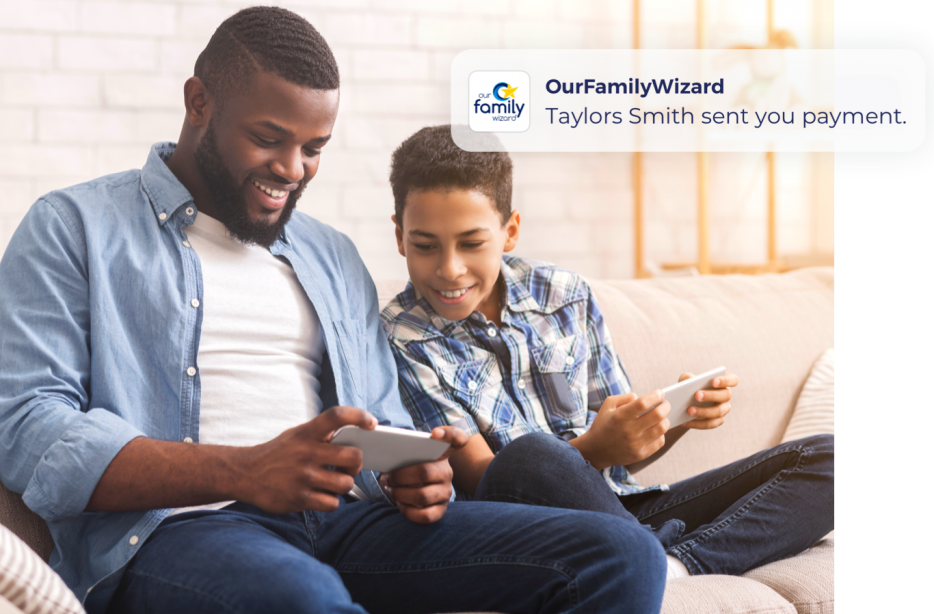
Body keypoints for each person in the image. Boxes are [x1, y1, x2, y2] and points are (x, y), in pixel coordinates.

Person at [0, 8, 669, 614]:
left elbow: (384, 420)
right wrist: (244, 470)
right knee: (306, 601)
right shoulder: (74, 227)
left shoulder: (330, 254)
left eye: (314, 148)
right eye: (269, 138)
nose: (292, 169)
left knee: (619, 554)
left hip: (349, 521)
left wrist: (411, 472)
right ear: (199, 102)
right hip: (182, 529)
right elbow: (26, 427)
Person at [380, 124, 836, 580]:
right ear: (400, 236)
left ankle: (673, 565)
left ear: (510, 231)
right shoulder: (401, 336)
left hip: (627, 508)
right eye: (425, 246)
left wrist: (666, 421)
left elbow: (623, 454)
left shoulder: (565, 295)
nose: (450, 268)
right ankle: (647, 555)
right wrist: (594, 447)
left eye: (472, 243)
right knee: (528, 456)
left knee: (826, 459)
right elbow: (487, 480)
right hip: (531, 529)